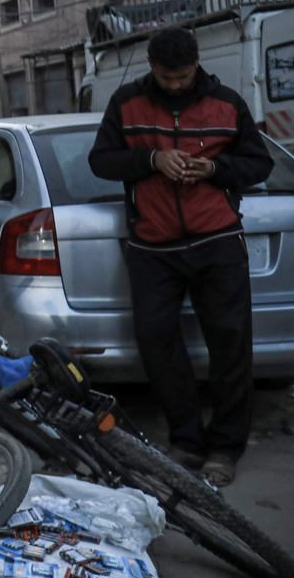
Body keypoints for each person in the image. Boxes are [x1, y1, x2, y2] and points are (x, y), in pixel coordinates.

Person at [89, 27, 272, 485]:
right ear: (152, 67)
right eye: (167, 77)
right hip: (152, 247)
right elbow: (101, 161)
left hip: (218, 243)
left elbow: (259, 163)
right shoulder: (126, 102)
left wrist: (214, 168)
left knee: (230, 345)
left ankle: (224, 449)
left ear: (197, 65)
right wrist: (152, 160)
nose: (175, 85)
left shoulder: (228, 103)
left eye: (183, 76)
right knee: (156, 340)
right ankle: (187, 442)